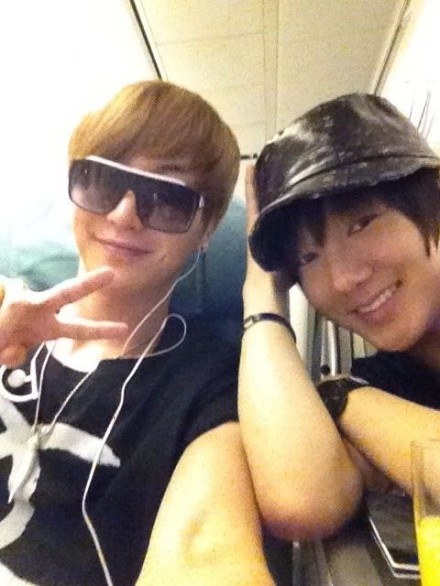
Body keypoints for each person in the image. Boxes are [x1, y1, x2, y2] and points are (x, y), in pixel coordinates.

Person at [0, 80, 275, 585]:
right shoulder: (4, 317)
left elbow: (208, 554)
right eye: (102, 181)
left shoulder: (214, 387)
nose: (123, 214)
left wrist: (263, 287)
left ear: (208, 228)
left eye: (166, 198)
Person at [240, 92, 440, 539]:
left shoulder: (369, 400)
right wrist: (260, 295)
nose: (344, 278)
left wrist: (341, 394)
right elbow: (302, 499)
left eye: (362, 223)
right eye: (307, 257)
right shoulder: (391, 384)